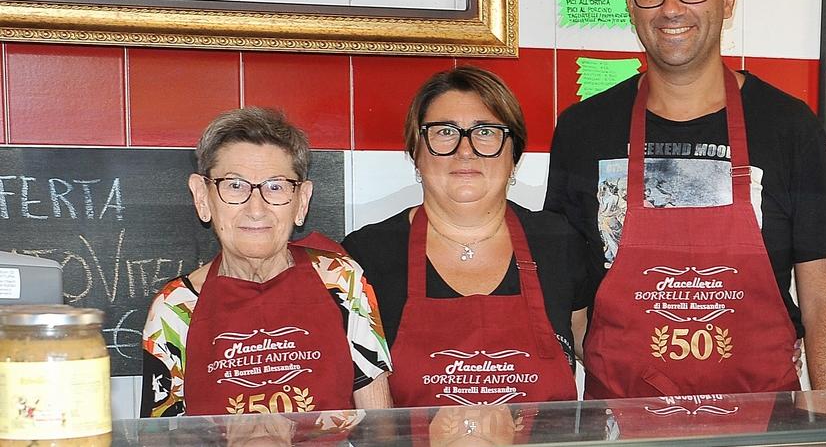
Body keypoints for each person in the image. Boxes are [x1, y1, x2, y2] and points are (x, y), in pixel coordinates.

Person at [544, 0, 826, 399]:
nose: (671, 7)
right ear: (631, 4)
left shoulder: (790, 126)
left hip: (766, 421)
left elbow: (823, 296)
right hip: (623, 419)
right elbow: (566, 287)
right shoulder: (582, 130)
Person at [342, 66, 594, 408]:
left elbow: (597, 353)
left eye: (486, 132)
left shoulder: (561, 244)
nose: (466, 149)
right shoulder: (363, 258)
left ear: (514, 155)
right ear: (416, 151)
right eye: (445, 131)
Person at [141, 107, 392, 417]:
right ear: (202, 198)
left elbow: (380, 425)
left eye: (276, 187)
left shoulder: (341, 280)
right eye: (235, 186)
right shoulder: (174, 307)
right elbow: (163, 436)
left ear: (301, 202)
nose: (256, 208)